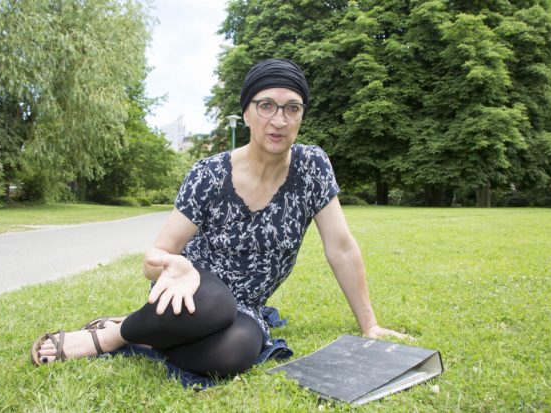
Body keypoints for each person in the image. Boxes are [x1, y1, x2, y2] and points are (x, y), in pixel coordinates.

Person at [30, 57, 406, 379]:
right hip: (190, 291)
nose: (279, 119)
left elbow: (341, 248)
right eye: (266, 106)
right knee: (216, 303)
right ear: (246, 112)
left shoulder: (312, 168)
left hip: (246, 306)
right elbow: (154, 259)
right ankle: (113, 336)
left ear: (301, 116)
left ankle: (150, 335)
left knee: (234, 354)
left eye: (292, 108)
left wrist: (369, 324)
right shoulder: (208, 173)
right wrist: (177, 266)